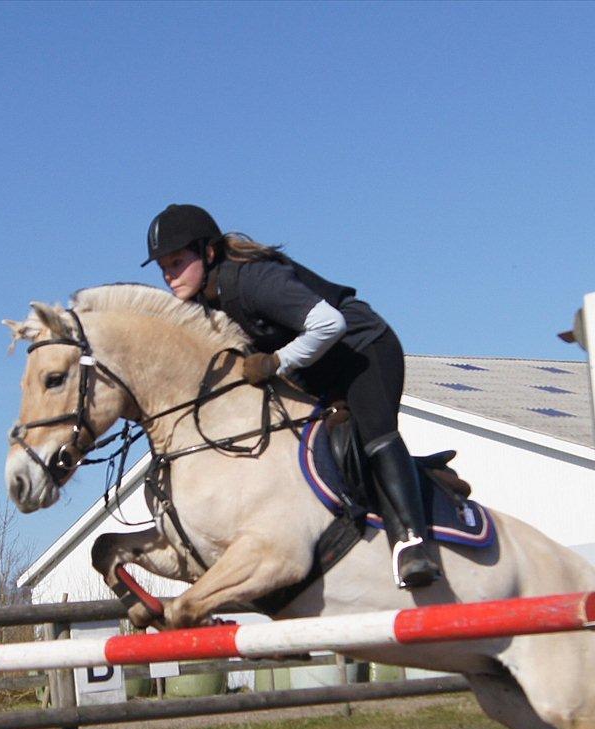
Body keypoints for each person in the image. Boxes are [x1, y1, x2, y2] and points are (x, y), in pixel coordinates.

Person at [142, 202, 441, 589]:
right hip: (315, 368)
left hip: (363, 352)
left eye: (177, 262)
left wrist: (274, 362)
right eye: (164, 267)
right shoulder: (204, 303)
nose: (169, 275)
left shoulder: (252, 280)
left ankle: (413, 543)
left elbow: (329, 324)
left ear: (208, 252)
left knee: (374, 436)